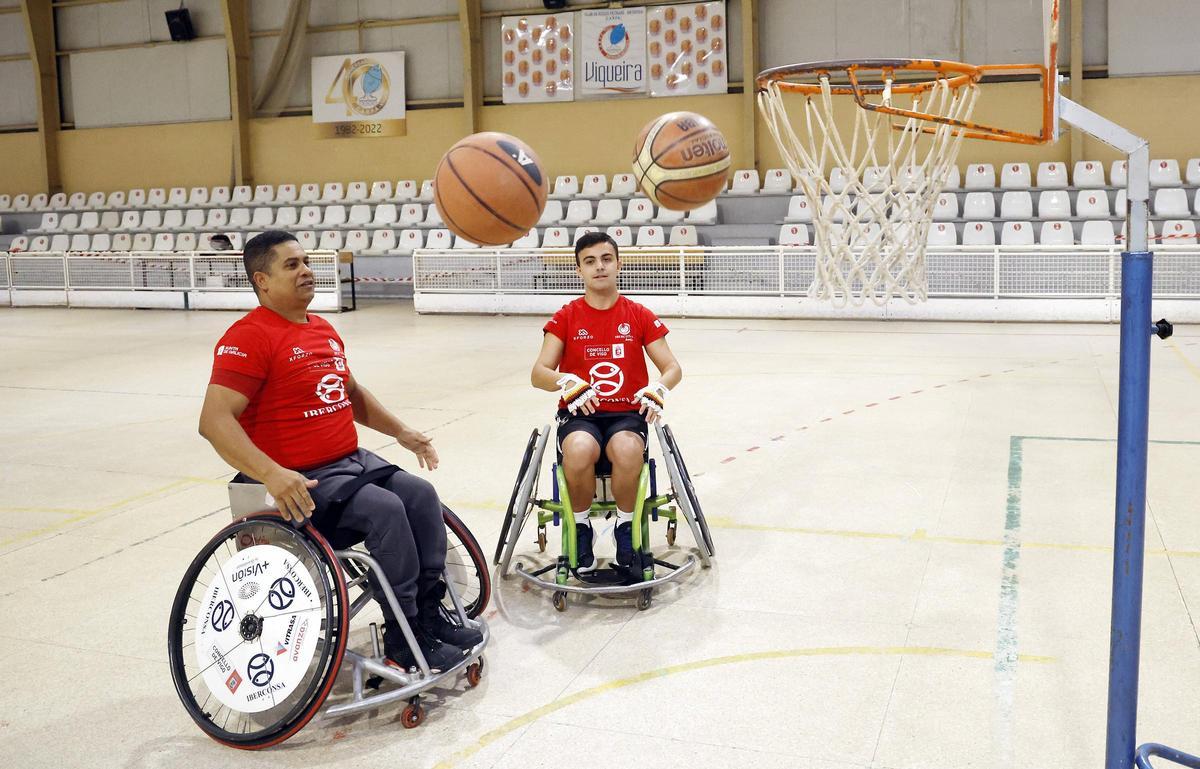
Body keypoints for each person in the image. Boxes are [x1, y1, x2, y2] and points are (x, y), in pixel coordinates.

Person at [198, 230, 478, 672]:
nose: (307, 270)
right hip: (301, 479)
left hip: (349, 464)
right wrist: (271, 473)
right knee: (386, 509)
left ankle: (427, 613)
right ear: (262, 281)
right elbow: (213, 422)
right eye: (291, 265)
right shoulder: (250, 337)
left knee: (420, 494)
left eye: (306, 261)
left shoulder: (323, 330)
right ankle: (402, 635)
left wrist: (401, 431)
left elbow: (347, 391)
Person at [530, 231, 683, 573]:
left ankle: (625, 527)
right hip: (580, 413)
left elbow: (672, 367)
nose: (599, 267)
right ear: (579, 270)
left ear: (618, 263)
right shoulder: (566, 317)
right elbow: (538, 373)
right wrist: (566, 380)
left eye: (606, 259)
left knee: (628, 450)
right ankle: (581, 527)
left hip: (626, 414)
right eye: (590, 261)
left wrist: (659, 388)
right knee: (581, 449)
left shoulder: (638, 314)